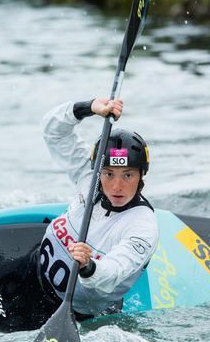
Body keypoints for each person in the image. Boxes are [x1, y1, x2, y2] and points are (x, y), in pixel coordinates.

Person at [39, 98, 159, 319]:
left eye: (128, 175)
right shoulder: (90, 177)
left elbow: (116, 270)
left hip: (74, 313)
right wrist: (90, 107)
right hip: (33, 272)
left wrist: (88, 267)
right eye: (109, 174)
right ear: (98, 170)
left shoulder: (142, 226)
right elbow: (53, 131)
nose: (117, 186)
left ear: (142, 175)